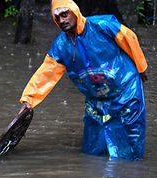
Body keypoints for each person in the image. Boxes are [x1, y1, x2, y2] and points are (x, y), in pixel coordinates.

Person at [19, 0, 148, 160]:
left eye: (65, 14)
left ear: (75, 11)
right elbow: (46, 73)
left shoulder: (103, 25)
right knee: (92, 150)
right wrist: (28, 101)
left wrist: (141, 68)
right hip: (96, 99)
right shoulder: (61, 45)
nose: (62, 21)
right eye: (57, 18)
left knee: (130, 146)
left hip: (125, 91)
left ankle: (127, 175)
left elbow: (130, 39)